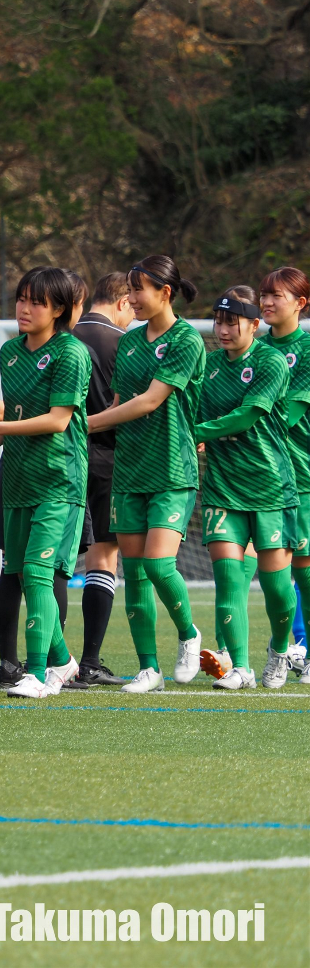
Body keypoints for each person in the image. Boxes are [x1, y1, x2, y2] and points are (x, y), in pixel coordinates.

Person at [87, 255, 205, 694]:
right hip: (129, 470)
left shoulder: (186, 340)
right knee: (133, 573)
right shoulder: (130, 342)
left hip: (172, 469)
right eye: (130, 290)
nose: (132, 298)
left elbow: (150, 401)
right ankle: (148, 668)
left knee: (158, 564)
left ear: (165, 293)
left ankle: (189, 633)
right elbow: (121, 400)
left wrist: (88, 423)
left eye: (140, 289)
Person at [0, 268, 87, 697]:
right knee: (21, 575)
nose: (24, 308)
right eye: (21, 298)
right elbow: (16, 416)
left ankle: (39, 674)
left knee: (40, 575)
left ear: (58, 309)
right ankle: (62, 660)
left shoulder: (70, 353)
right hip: (18, 481)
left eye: (36, 302)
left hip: (59, 482)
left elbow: (59, 421)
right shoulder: (9, 352)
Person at [189, 286, 298, 689]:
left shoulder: (271, 362)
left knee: (277, 591)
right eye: (218, 321)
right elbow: (193, 410)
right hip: (222, 488)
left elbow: (247, 415)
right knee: (229, 583)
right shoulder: (211, 367)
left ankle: (280, 648)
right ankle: (241, 667)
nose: (222, 329)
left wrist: (195, 432)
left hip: (270, 487)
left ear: (254, 324)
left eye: (232, 322)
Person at [63, 272, 133, 686]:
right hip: (107, 458)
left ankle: (35, 659)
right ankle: (89, 660)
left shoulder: (62, 336)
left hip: (61, 458)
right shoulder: (123, 344)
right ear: (122, 301)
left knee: (47, 562)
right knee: (103, 558)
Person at [257, 267, 310, 683]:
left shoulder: (307, 348)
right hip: (259, 476)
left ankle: (304, 651)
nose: (268, 301)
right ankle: (275, 651)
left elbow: (288, 413)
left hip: (301, 474)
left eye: (277, 295)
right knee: (264, 569)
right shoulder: (253, 348)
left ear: (300, 303)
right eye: (264, 294)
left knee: (303, 568)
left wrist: (229, 426)